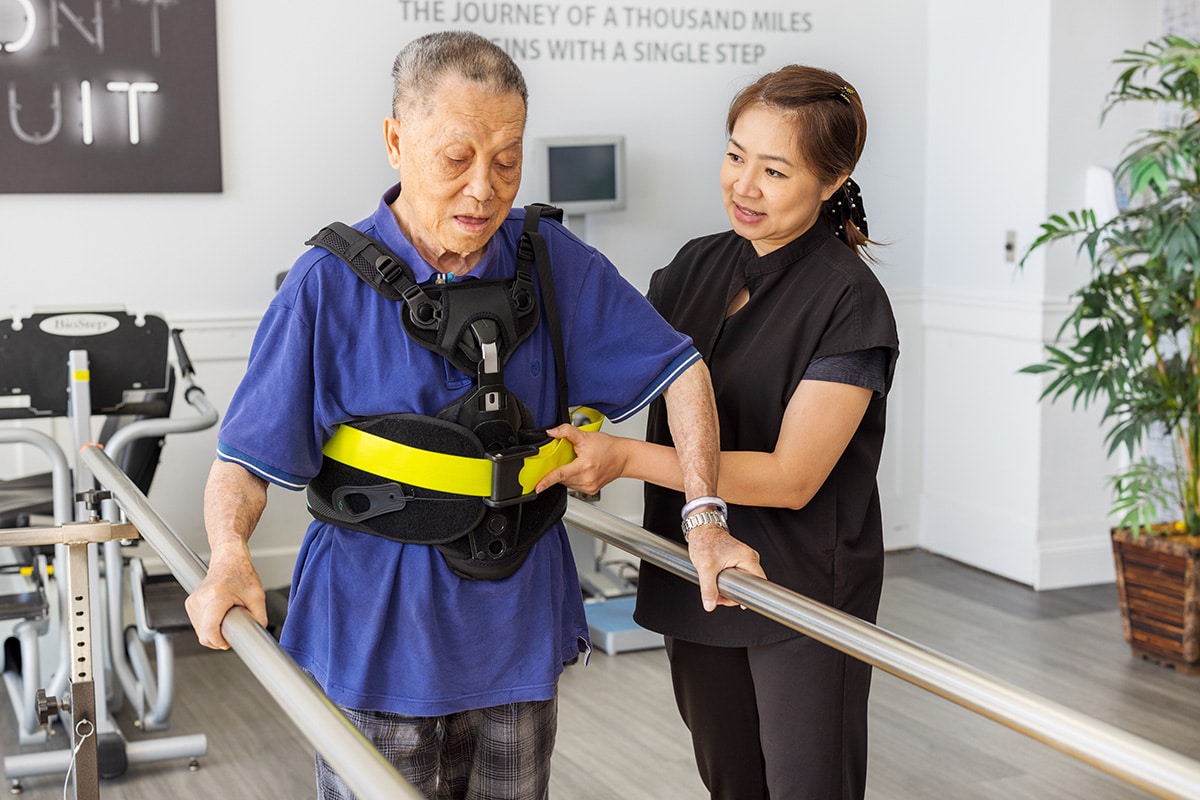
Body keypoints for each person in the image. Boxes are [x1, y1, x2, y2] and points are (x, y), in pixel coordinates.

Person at [184, 30, 762, 800]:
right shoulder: (326, 286)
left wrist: (706, 519)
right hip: (374, 645)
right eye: (457, 158)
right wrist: (228, 553)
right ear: (396, 139)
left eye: (508, 159)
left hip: (515, 638)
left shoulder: (551, 260)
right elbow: (245, 464)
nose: (485, 189)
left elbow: (683, 370)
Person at [538, 65, 899, 799]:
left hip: (799, 585)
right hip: (693, 572)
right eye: (736, 156)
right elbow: (619, 372)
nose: (744, 185)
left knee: (807, 787)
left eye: (775, 170)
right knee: (731, 783)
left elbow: (793, 477)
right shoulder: (695, 267)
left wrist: (628, 458)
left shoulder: (850, 302)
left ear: (833, 181)